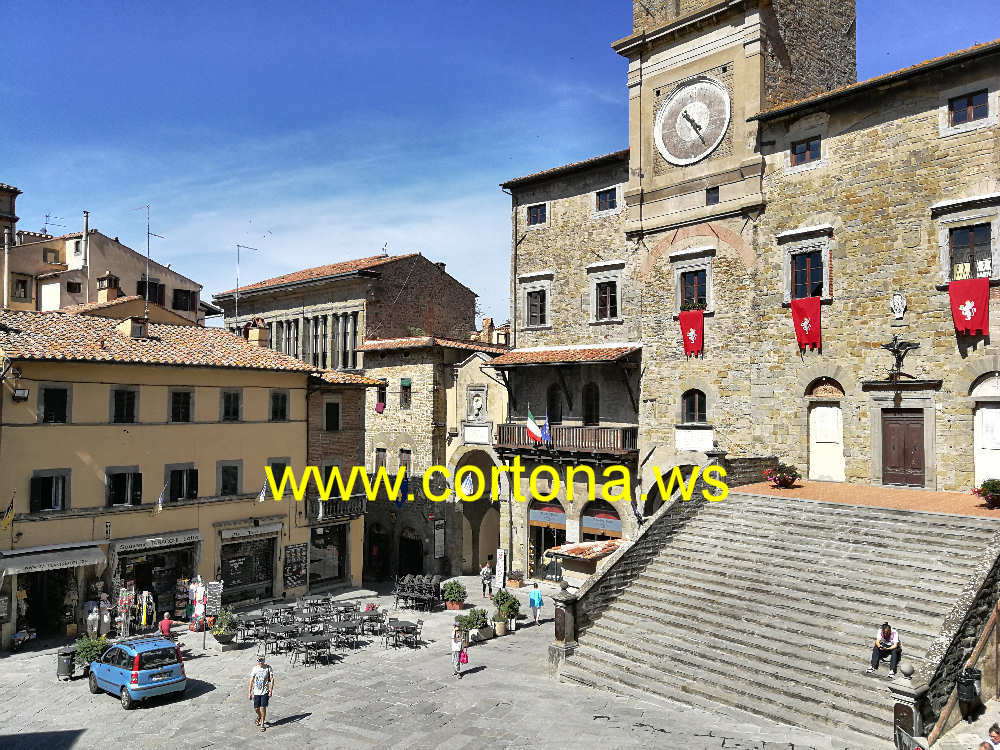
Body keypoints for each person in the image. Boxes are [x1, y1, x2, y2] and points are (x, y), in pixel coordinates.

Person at [248, 655, 274, 732]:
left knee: (263, 708)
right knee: (256, 708)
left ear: (264, 660)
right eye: (259, 661)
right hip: (256, 692)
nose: (260, 662)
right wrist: (249, 692)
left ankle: (262, 723)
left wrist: (271, 690)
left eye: (262, 660)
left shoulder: (268, 668)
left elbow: (272, 679)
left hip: (264, 691)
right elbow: (251, 681)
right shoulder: (255, 669)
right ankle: (259, 716)